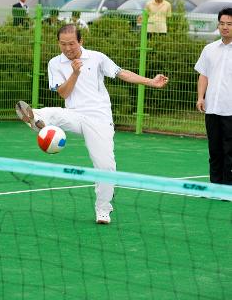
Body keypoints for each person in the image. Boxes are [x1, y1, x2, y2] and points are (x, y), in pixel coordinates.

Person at [16, 24, 169, 224]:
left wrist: (150, 81)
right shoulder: (55, 63)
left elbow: (122, 73)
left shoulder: (97, 58)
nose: (68, 48)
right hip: (74, 115)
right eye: (63, 44)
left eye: (71, 43)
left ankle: (103, 210)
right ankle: (37, 121)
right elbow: (63, 93)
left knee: (106, 167)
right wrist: (75, 73)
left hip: (100, 120)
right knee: (50, 112)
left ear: (81, 41)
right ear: (58, 44)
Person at [195, 8, 232, 185]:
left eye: (230, 24)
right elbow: (204, 74)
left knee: (230, 152)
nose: (225, 27)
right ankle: (215, 186)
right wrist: (200, 97)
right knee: (214, 150)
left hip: (230, 110)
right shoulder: (209, 49)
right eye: (222, 23)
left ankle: (228, 188)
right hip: (212, 109)